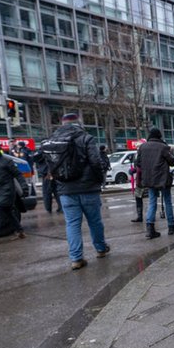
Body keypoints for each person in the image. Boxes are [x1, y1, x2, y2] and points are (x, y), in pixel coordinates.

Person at [48, 113, 110, 270]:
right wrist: (99, 180)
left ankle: (76, 258)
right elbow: (95, 162)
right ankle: (100, 249)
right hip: (88, 188)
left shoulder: (54, 140)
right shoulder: (86, 138)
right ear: (79, 123)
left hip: (66, 190)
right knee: (95, 221)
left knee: (72, 224)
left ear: (63, 124)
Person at [135, 128, 174, 239]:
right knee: (167, 201)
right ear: (159, 136)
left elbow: (138, 163)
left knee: (152, 202)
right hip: (163, 179)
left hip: (149, 179)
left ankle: (150, 228)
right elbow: (172, 162)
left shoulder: (143, 147)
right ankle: (171, 226)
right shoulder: (163, 147)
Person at [33, 147, 61, 213]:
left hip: (47, 174)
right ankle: (60, 207)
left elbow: (34, 158)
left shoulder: (41, 151)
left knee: (47, 192)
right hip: (55, 172)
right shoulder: (53, 148)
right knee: (57, 190)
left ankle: (49, 208)